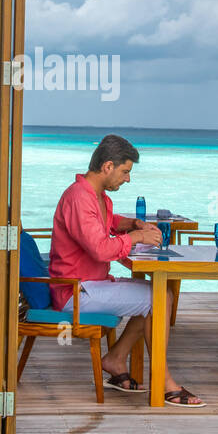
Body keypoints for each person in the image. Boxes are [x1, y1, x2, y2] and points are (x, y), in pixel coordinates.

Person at [49, 133, 205, 407]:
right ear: (107, 166)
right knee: (159, 297)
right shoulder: (79, 198)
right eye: (125, 171)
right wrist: (136, 239)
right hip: (75, 292)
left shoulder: (97, 196)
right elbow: (99, 248)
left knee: (157, 294)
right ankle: (165, 381)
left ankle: (115, 358)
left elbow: (108, 223)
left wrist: (133, 225)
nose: (128, 179)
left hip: (91, 284)